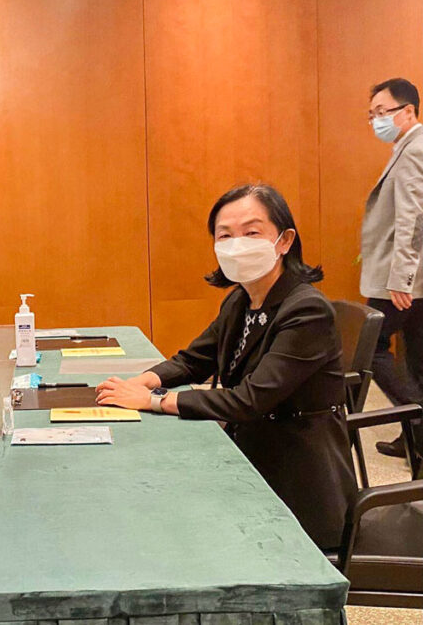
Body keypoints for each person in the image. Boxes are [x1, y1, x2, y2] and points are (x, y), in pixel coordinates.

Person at [96, 184, 356, 550]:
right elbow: (193, 360)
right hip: (246, 454)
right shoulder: (240, 301)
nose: (237, 245)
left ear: (284, 240)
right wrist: (141, 381)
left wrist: (154, 401)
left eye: (252, 233)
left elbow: (249, 400)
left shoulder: (307, 310)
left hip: (296, 482)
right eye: (225, 236)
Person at [360, 78, 423, 458]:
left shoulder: (414, 149)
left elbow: (412, 219)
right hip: (415, 277)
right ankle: (415, 441)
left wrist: (401, 278)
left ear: (409, 111)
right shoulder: (409, 146)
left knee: (370, 345)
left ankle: (418, 421)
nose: (376, 121)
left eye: (382, 112)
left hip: (403, 278)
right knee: (416, 356)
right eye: (371, 115)